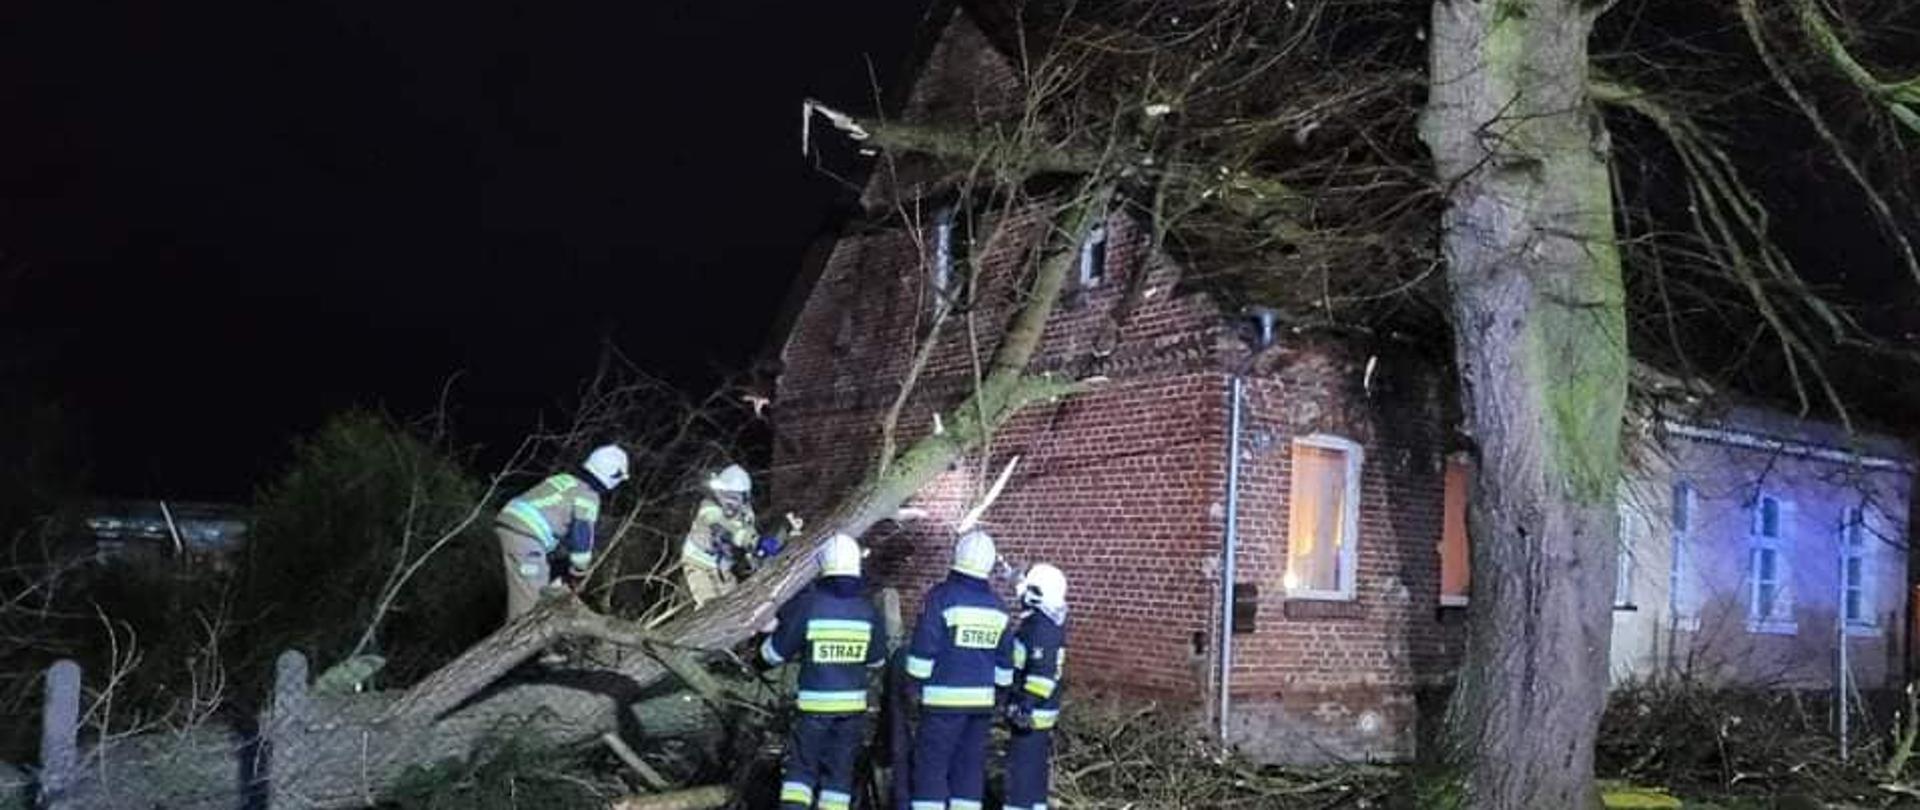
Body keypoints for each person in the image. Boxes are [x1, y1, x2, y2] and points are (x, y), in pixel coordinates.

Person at [759, 534, 886, 810]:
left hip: (814, 707)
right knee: (839, 776)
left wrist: (763, 642)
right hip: (852, 709)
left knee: (801, 772)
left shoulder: (810, 606)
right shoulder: (868, 610)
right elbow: (877, 662)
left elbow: (774, 654)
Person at [905, 530, 1013, 810]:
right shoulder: (998, 608)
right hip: (981, 705)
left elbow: (924, 648)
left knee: (932, 768)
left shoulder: (941, 598)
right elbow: (1004, 661)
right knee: (968, 770)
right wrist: (999, 694)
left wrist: (912, 687)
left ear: (957, 557)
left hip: (943, 703)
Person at [495, 444, 628, 624]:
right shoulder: (588, 496)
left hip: (510, 523)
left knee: (535, 584)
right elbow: (582, 541)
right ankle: (515, 647)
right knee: (528, 606)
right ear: (613, 477)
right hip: (526, 537)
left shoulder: (565, 479)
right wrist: (579, 572)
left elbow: (554, 519)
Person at [681, 463, 799, 605]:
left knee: (733, 603)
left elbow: (749, 530)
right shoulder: (709, 509)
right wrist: (754, 541)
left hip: (724, 567)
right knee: (709, 605)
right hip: (698, 564)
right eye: (727, 495)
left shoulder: (745, 512)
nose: (730, 501)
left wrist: (761, 551)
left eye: (735, 497)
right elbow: (733, 531)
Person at [1002, 563, 1069, 810]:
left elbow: (1041, 676)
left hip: (1031, 717)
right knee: (1035, 782)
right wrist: (1015, 579)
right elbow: (1025, 592)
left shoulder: (1040, 629)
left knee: (1020, 782)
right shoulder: (1048, 622)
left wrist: (1024, 707)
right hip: (1039, 717)